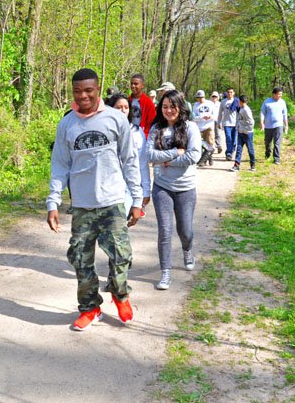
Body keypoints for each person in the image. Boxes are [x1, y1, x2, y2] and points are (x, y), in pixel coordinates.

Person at [47, 68, 142, 331]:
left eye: (88, 90)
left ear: (98, 89)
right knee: (80, 259)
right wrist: (53, 203)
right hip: (82, 206)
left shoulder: (115, 119)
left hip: (112, 202)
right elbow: (59, 166)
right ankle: (90, 308)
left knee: (121, 255)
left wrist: (137, 199)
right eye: (77, 91)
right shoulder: (67, 124)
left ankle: (120, 294)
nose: (83, 96)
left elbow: (130, 160)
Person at [148, 90, 202, 290]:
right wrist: (172, 153)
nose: (168, 110)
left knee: (185, 230)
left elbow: (193, 156)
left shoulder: (191, 128)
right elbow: (148, 154)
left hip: (186, 189)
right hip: (162, 187)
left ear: (181, 107)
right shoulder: (156, 129)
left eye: (173, 106)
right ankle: (165, 273)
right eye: (165, 106)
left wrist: (167, 160)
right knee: (165, 230)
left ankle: (187, 250)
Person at [260, 87, 289, 164]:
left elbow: (284, 114)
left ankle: (276, 158)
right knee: (267, 142)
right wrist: (262, 123)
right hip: (268, 126)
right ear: (273, 94)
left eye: (281, 94)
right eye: (279, 94)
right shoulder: (267, 102)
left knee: (277, 142)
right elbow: (262, 113)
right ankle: (268, 153)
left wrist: (286, 125)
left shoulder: (282, 102)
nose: (280, 96)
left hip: (279, 125)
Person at [231, 95, 256, 172]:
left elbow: (252, 122)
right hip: (240, 132)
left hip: (247, 133)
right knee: (239, 149)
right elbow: (239, 120)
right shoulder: (241, 109)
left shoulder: (246, 110)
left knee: (250, 149)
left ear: (241, 102)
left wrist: (246, 130)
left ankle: (253, 164)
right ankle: (236, 165)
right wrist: (238, 128)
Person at [191, 90, 216, 166]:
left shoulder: (211, 104)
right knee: (201, 145)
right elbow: (193, 117)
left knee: (210, 144)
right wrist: (201, 117)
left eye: (201, 97)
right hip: (199, 128)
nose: (200, 99)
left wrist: (210, 116)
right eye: (198, 98)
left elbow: (215, 116)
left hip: (209, 127)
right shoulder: (195, 105)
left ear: (204, 97)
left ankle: (207, 159)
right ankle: (203, 160)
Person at [128, 73, 157, 138]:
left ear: (142, 85)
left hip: (141, 136)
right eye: (131, 83)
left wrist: (145, 135)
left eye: (136, 84)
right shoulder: (127, 100)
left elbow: (152, 122)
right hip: (128, 134)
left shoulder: (148, 103)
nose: (133, 86)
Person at [217, 88, 238, 161]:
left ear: (233, 93)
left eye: (231, 92)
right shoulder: (223, 102)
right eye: (228, 92)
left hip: (235, 124)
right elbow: (220, 113)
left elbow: (240, 112)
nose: (230, 94)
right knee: (229, 139)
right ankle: (229, 153)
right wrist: (218, 122)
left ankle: (231, 151)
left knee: (234, 141)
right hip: (226, 123)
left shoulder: (237, 101)